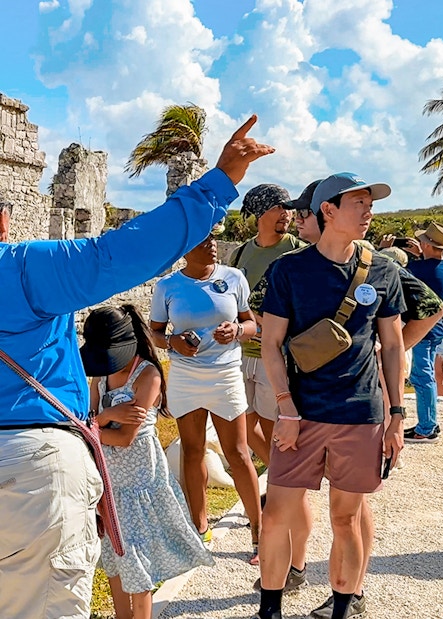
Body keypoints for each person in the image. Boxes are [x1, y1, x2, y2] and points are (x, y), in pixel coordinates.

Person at [0, 115, 274, 619]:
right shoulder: (18, 267)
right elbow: (121, 254)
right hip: (26, 463)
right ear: (4, 221)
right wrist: (220, 181)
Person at [250, 180, 443, 618]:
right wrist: (285, 407)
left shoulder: (384, 271)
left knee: (347, 518)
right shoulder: (289, 270)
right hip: (301, 413)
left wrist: (396, 414)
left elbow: (393, 346)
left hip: (361, 414)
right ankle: (269, 611)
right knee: (277, 514)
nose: (368, 211)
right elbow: (271, 343)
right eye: (359, 202)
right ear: (328, 211)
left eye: (370, 204)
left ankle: (342, 608)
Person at [81, 304, 212, 619]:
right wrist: (108, 417)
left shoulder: (148, 374)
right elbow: (91, 423)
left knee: (136, 558)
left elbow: (124, 437)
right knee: (113, 556)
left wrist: (96, 425)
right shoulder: (101, 373)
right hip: (110, 480)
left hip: (140, 480)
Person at [150, 230, 261, 563]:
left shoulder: (234, 278)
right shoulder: (167, 286)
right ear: (185, 249)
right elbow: (155, 332)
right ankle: (199, 527)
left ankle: (259, 529)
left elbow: (251, 324)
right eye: (202, 241)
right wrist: (172, 343)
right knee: (192, 450)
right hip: (186, 375)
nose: (211, 245)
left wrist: (238, 331)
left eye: (213, 239)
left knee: (239, 453)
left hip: (226, 375)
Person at [229, 184, 306, 468]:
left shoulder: (299, 252)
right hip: (241, 353)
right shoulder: (238, 256)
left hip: (278, 356)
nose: (286, 213)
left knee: (277, 426)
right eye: (278, 207)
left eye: (289, 207)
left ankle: (283, 487)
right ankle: (279, 475)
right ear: (259, 211)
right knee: (245, 426)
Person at [404, 222, 443, 443]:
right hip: (436, 328)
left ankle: (426, 428)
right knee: (427, 377)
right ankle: (429, 423)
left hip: (420, 330)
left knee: (421, 377)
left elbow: (403, 275)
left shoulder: (418, 269)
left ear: (426, 244)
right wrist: (421, 255)